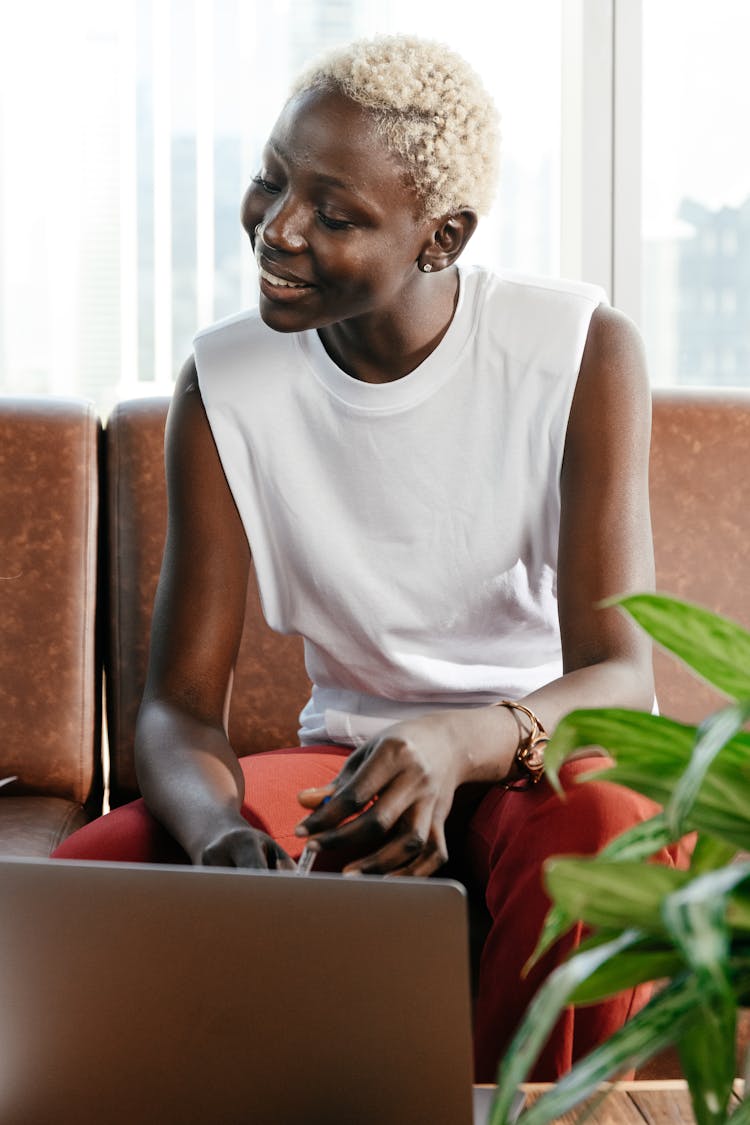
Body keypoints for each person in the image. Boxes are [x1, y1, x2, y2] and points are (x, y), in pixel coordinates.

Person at [55, 35, 684, 1080]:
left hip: (543, 747)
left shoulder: (579, 349)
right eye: (271, 181)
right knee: (91, 882)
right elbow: (174, 709)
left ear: (440, 239)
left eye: (335, 213)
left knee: (603, 829)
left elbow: (622, 676)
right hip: (349, 764)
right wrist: (219, 832)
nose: (279, 228)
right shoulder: (226, 382)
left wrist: (457, 743)